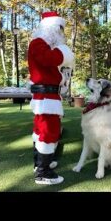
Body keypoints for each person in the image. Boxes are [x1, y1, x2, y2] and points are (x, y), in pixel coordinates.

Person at [28, 11, 74, 185]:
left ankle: (41, 163)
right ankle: (43, 172)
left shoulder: (42, 44)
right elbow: (48, 60)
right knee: (48, 132)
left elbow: (49, 67)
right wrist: (64, 53)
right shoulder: (38, 43)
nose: (61, 33)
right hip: (46, 96)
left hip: (48, 95)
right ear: (51, 28)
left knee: (42, 130)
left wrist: (62, 77)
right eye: (59, 29)